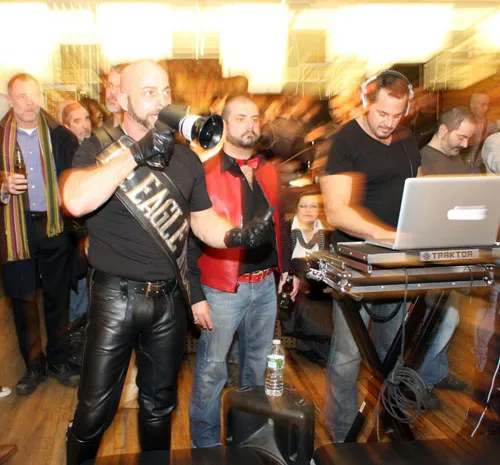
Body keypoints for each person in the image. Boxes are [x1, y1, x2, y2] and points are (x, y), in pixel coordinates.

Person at [60, 61, 273, 465]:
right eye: (148, 92)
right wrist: (136, 152)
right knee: (94, 411)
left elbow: (202, 221)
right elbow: (74, 200)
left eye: (165, 92)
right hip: (115, 298)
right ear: (123, 99)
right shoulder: (100, 148)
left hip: (169, 301)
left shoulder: (186, 159)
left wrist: (237, 236)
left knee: (159, 407)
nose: (161, 100)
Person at [189, 95, 298, 448]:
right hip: (222, 289)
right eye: (240, 118)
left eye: (255, 118)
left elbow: (280, 222)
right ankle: (206, 447)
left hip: (265, 285)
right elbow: (188, 239)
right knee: (211, 372)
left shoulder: (267, 169)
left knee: (256, 369)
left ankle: (248, 442)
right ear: (222, 124)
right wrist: (194, 294)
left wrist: (287, 268)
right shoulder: (204, 172)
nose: (250, 125)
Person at [320, 70, 421, 442]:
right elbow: (336, 211)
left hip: (398, 261)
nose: (389, 123)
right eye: (382, 113)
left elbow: (417, 190)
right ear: (367, 102)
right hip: (355, 262)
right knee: (347, 356)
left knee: (393, 354)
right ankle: (341, 438)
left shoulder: (407, 140)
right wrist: (386, 235)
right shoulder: (345, 141)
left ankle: (390, 426)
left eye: (397, 114)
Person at [0, 73, 80, 396]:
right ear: (9, 100)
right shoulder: (0, 137)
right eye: (22, 96)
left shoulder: (61, 136)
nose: (30, 102)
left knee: (58, 298)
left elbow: (75, 178)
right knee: (23, 302)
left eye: (34, 95)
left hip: (54, 226)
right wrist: (2, 184)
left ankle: (59, 360)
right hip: (15, 230)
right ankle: (34, 365)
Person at [417, 106, 476, 409]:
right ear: (443, 130)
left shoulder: (455, 160)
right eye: (461, 137)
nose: (465, 144)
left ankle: (436, 372)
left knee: (448, 318)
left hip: (453, 249)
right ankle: (419, 383)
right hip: (433, 253)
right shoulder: (424, 161)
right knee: (438, 320)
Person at [462, 93, 497, 173]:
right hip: (459, 169)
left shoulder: (491, 127)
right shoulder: (461, 124)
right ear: (472, 105)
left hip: (479, 170)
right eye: (483, 105)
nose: (486, 108)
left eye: (488, 105)